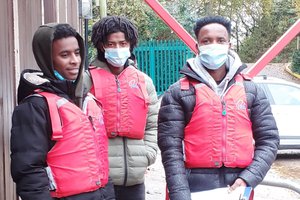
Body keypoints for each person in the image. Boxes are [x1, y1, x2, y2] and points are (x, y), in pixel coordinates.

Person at [158, 15, 280, 200]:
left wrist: (247, 179)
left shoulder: (251, 90)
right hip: (192, 187)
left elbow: (269, 140)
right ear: (198, 46)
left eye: (220, 40)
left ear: (229, 45)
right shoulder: (178, 92)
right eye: (207, 41)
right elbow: (170, 150)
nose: (213, 44)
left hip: (238, 188)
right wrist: (181, 194)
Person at [10, 23, 115, 200]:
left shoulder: (85, 99)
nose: (74, 60)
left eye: (77, 52)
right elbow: (29, 171)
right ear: (48, 60)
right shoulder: (35, 107)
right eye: (64, 55)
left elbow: (99, 159)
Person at [83, 16, 159, 200]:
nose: (117, 49)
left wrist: (147, 155)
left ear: (131, 44)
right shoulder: (86, 81)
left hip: (134, 181)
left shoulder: (143, 81)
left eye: (123, 43)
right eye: (111, 44)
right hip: (98, 181)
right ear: (101, 46)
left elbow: (153, 124)